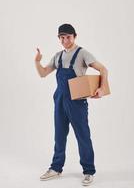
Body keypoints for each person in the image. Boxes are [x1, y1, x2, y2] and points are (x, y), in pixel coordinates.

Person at [35, 24, 108, 186]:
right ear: (59, 38)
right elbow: (43, 74)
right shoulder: (58, 56)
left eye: (68, 37)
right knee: (59, 136)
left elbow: (103, 69)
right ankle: (56, 168)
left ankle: (89, 171)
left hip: (77, 101)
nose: (65, 40)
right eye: (62, 37)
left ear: (75, 36)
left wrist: (102, 88)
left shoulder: (82, 53)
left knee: (82, 136)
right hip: (60, 100)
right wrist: (37, 62)